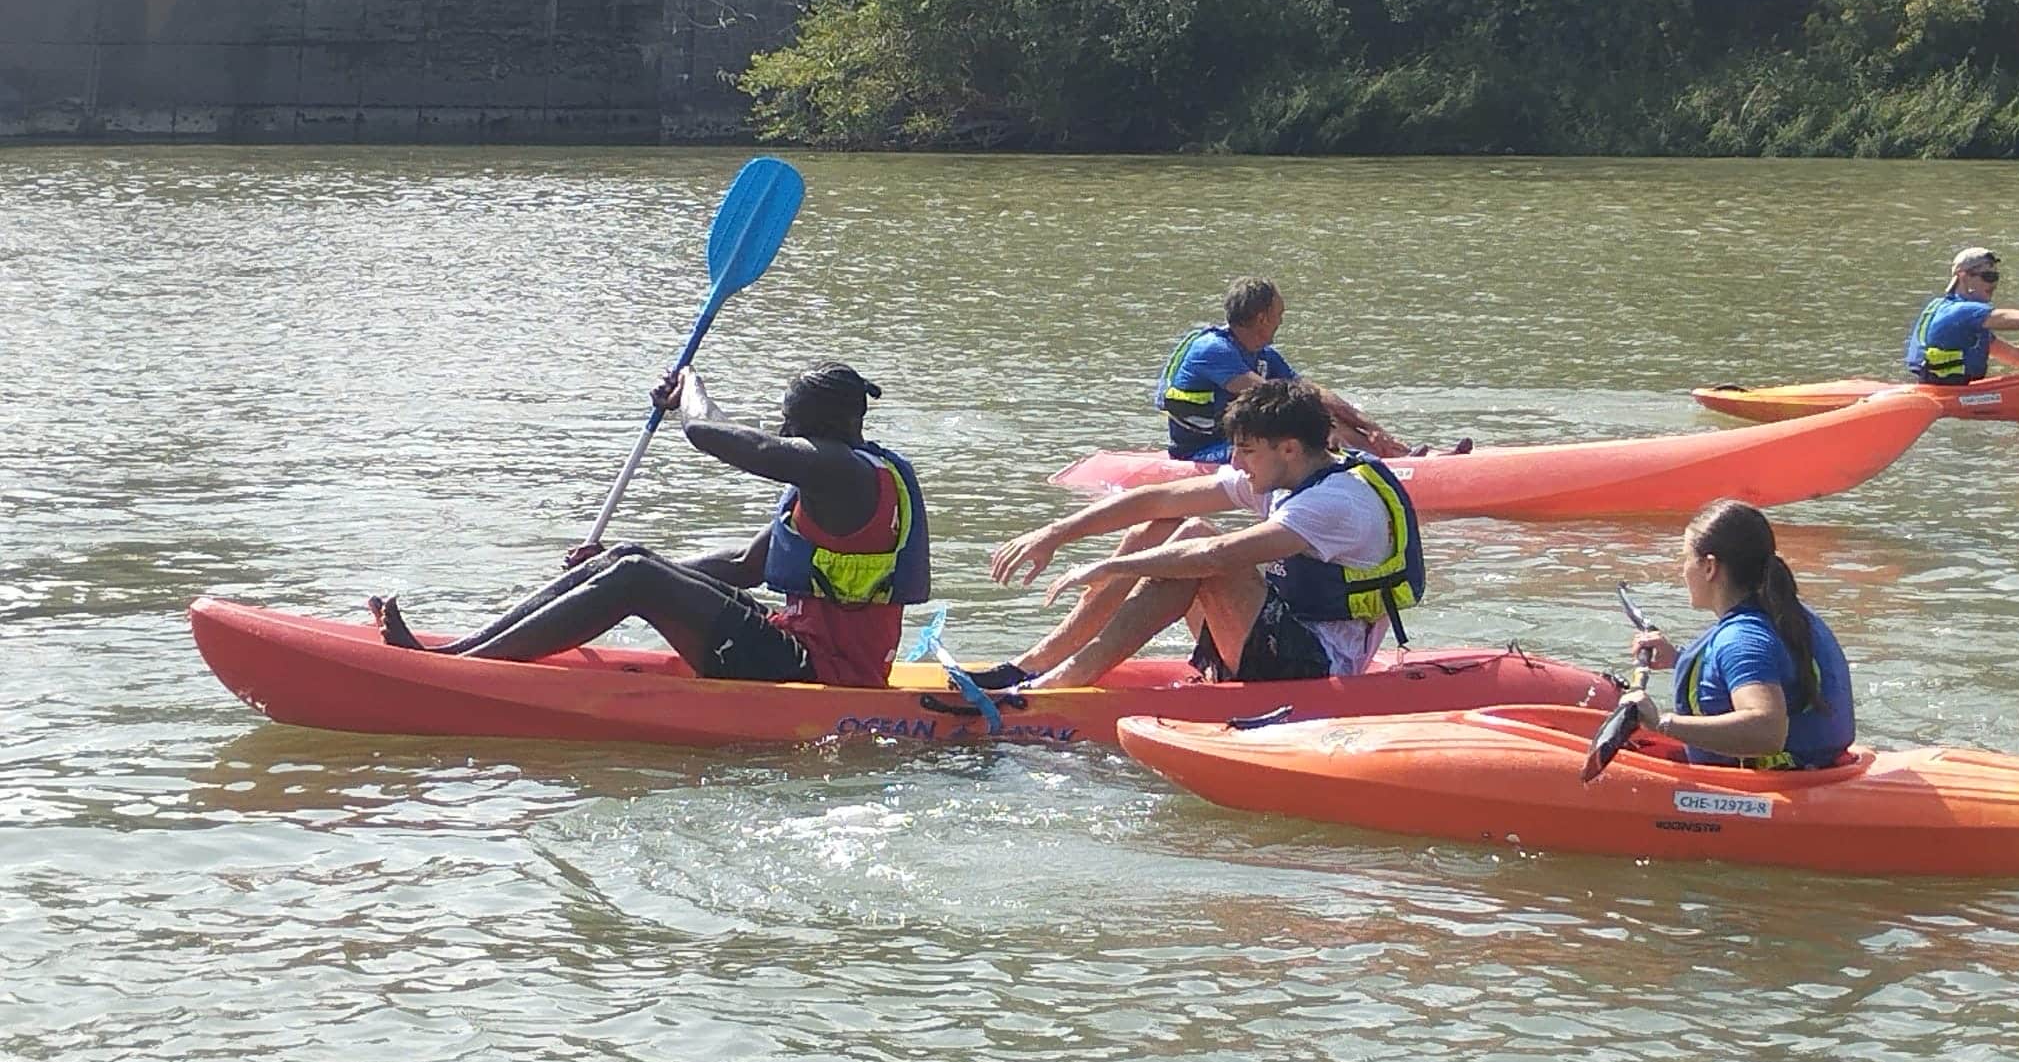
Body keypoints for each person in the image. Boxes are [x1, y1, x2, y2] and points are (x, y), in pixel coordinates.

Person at [369, 362, 930, 688]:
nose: (782, 427)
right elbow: (744, 567)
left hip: (821, 676)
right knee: (628, 561)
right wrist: (611, 572)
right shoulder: (840, 477)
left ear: (819, 424)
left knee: (636, 576)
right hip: (798, 645)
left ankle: (458, 675)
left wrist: (690, 387)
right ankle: (452, 654)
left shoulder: (838, 470)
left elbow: (707, 434)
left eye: (789, 419)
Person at [972, 378, 1422, 689]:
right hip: (1274, 637)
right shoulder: (1286, 473)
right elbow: (1160, 500)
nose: (1238, 464)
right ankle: (1030, 666)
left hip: (1319, 666)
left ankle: (1059, 684)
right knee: (1180, 524)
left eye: (1246, 451)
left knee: (1200, 551)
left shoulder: (1335, 502)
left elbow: (1216, 557)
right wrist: (1058, 532)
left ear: (1288, 448)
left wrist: (1109, 565)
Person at [1618, 499, 1854, 770]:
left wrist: (1660, 723)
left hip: (1769, 793)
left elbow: (1767, 730)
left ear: (1709, 567)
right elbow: (1773, 667)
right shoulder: (1788, 614)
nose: (1682, 570)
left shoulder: (1742, 640)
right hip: (1815, 769)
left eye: (1685, 558)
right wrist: (1678, 659)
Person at [1155, 277, 1467, 461]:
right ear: (1262, 317)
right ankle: (1381, 465)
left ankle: (1397, 457)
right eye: (1280, 313)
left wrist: (1371, 427)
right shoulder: (1212, 350)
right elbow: (1272, 396)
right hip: (1203, 453)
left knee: (1326, 416)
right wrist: (1326, 427)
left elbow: (1310, 391)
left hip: (1242, 443)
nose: (1282, 319)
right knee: (1314, 427)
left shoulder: (1263, 354)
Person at [1904, 246, 2019, 385]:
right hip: (1952, 396)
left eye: (1996, 277)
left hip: (1944, 389)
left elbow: (2014, 355)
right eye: (1988, 277)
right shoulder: (1963, 311)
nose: (1993, 284)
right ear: (1963, 277)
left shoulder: (1946, 308)